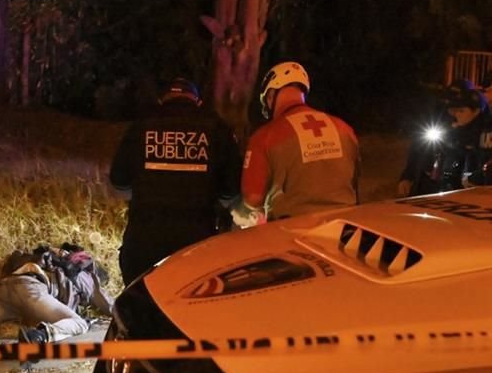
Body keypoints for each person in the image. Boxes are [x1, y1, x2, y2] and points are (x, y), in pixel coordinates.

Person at [109, 78, 241, 286]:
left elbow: (118, 182)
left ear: (162, 100)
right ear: (197, 102)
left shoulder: (141, 126)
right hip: (195, 243)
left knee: (141, 309)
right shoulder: (216, 127)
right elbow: (231, 191)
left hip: (144, 240)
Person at [236, 61, 360, 222]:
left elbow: (253, 198)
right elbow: (355, 182)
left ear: (271, 95)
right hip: (345, 228)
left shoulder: (264, 137)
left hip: (292, 232)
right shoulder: (345, 129)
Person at [399, 79, 491, 195]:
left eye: (460, 110)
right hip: (440, 185)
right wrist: (408, 176)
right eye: (452, 109)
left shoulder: (486, 130)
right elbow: (419, 150)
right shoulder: (447, 122)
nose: (455, 113)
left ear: (476, 111)